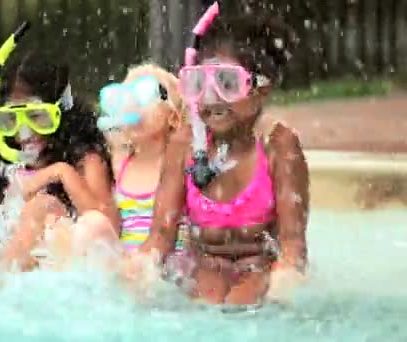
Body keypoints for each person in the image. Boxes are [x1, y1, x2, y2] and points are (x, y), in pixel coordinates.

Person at [132, 14, 309, 305]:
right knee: (205, 302)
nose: (211, 97)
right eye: (198, 82)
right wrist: (140, 271)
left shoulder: (279, 145)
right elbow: (161, 235)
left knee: (244, 305)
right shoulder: (185, 144)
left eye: (227, 82)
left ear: (261, 89)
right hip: (204, 266)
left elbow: (293, 247)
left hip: (259, 267)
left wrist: (284, 284)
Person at [0, 49, 117, 272]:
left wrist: (62, 172)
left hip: (62, 266)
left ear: (62, 111)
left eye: (36, 117)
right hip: (19, 265)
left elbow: (108, 229)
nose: (24, 132)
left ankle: (1, 281)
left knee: (41, 206)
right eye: (12, 118)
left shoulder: (84, 158)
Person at [71, 63, 188, 266]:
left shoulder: (179, 166)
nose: (132, 106)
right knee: (90, 225)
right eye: (123, 99)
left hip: (164, 267)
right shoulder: (117, 166)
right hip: (125, 267)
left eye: (144, 95)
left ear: (173, 118)